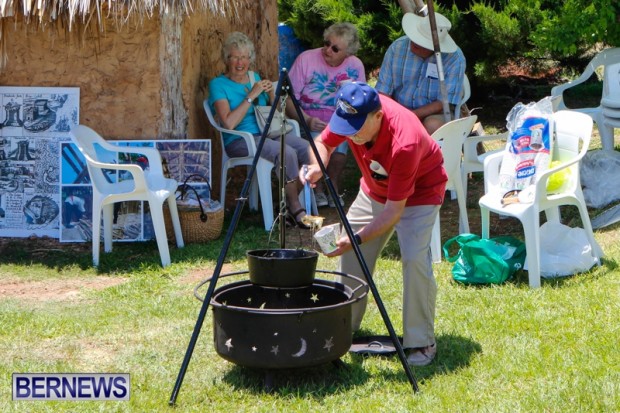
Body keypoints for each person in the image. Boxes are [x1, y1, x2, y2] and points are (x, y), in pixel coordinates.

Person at [300, 82, 447, 366]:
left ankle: (421, 341)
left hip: (420, 194)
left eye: (355, 127)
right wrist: (319, 162)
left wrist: (356, 237)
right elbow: (323, 142)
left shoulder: (406, 141)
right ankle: (342, 328)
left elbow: (393, 212)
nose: (349, 133)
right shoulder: (350, 114)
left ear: (377, 115)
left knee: (415, 259)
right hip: (374, 190)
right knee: (352, 255)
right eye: (345, 125)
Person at [209, 32, 311, 228]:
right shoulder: (218, 85)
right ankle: (295, 208)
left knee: (308, 149)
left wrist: (271, 93)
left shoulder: (253, 77)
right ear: (226, 59)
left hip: (268, 134)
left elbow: (273, 113)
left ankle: (288, 201)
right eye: (235, 57)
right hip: (240, 140)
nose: (240, 62)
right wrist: (251, 96)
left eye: (245, 57)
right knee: (286, 152)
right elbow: (229, 124)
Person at [286, 22, 365, 208]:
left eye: (335, 48)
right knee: (319, 142)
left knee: (340, 148)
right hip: (309, 118)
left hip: (340, 118)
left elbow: (361, 98)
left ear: (348, 53)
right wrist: (307, 120)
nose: (328, 49)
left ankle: (333, 183)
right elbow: (288, 98)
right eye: (327, 43)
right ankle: (318, 187)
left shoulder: (355, 65)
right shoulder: (306, 59)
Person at [375, 12, 465, 135]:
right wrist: (396, 115)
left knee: (432, 124)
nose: (413, 43)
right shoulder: (397, 48)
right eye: (414, 38)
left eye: (420, 43)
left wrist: (411, 117)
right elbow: (383, 92)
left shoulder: (454, 59)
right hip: (397, 110)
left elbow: (443, 102)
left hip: (435, 113)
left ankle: (430, 154)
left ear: (436, 47)